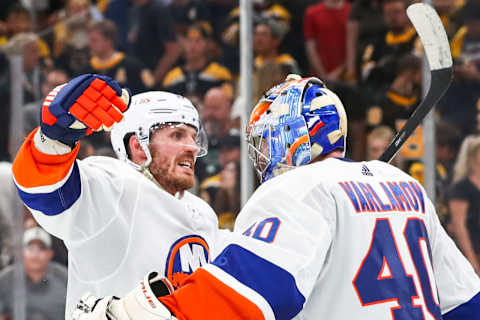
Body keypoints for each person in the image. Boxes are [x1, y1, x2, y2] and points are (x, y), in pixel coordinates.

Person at [74, 75, 480, 319]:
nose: (262, 152)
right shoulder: (403, 185)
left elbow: (253, 295)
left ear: (293, 137)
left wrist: (129, 312)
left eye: (266, 139)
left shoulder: (295, 189)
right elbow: (465, 303)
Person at [11, 74, 219, 318]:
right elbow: (44, 192)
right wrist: (55, 141)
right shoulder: (116, 185)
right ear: (138, 146)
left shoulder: (204, 213)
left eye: (194, 137)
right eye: (177, 135)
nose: (192, 147)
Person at [0, 227, 68, 319]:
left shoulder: (65, 278)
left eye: (41, 248)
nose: (35, 254)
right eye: (30, 248)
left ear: (50, 253)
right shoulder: (4, 279)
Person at [448, 135, 480, 274]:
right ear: (473, 157)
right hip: (472, 248)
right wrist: (472, 261)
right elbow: (459, 225)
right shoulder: (461, 187)